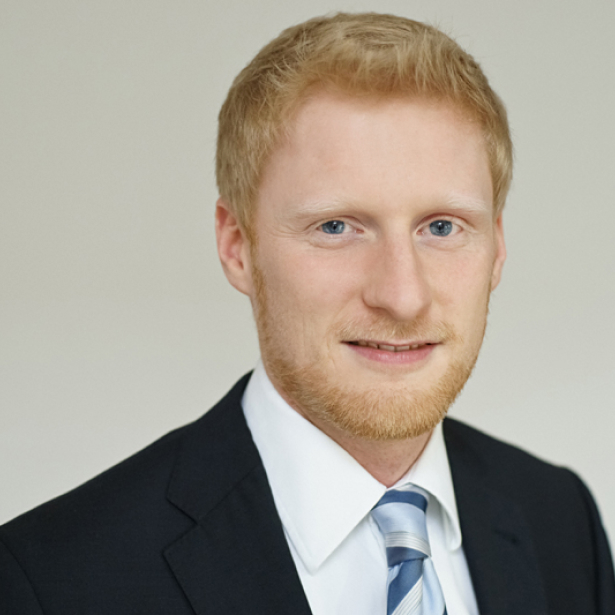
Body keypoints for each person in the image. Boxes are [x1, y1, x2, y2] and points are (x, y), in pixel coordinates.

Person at [0, 12, 613, 615]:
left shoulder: (560, 521)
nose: (403, 295)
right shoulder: (51, 582)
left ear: (497, 248)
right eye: (336, 226)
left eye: (442, 227)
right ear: (237, 246)